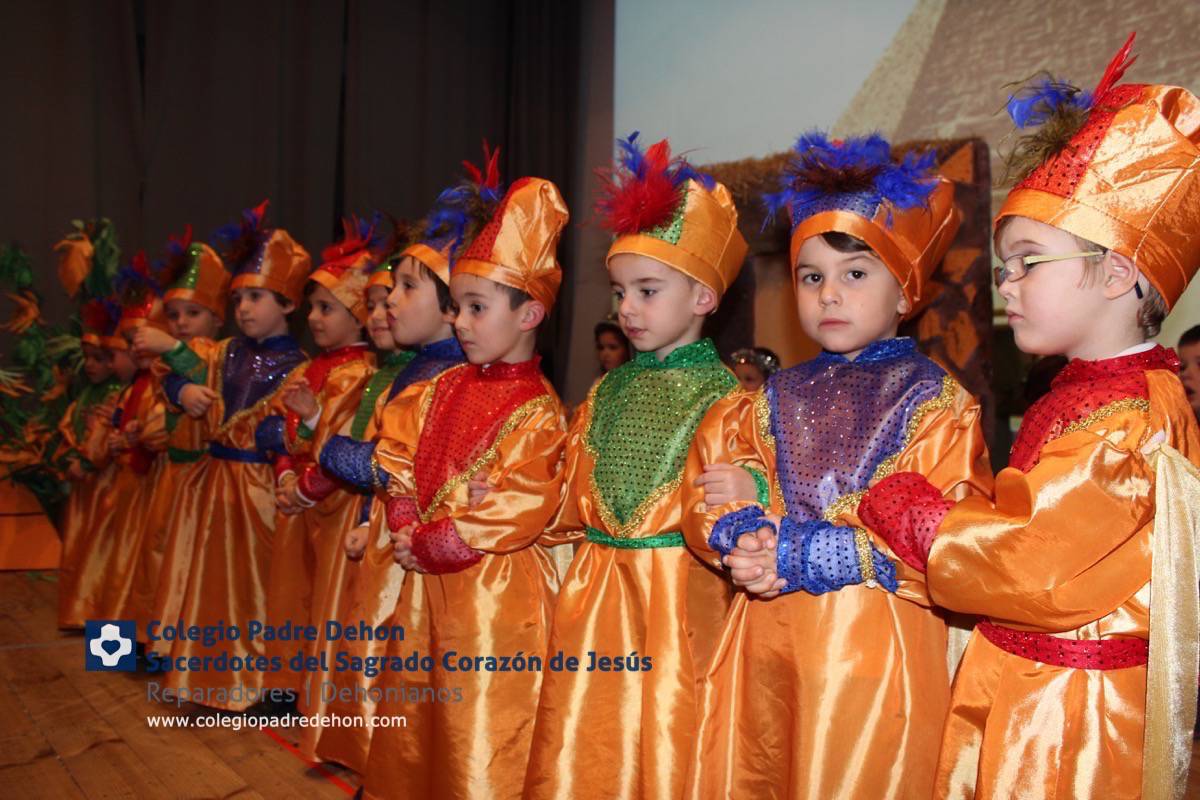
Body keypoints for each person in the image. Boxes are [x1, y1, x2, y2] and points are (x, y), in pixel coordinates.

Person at [858, 34, 1200, 799]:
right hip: (1032, 691)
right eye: (1005, 265)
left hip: (1066, 724)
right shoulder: (1096, 393)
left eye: (1027, 262)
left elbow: (1034, 562)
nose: (1004, 285)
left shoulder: (1124, 417)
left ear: (1115, 270)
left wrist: (917, 514)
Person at [682, 131, 992, 799]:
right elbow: (710, 487)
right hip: (770, 643)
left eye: (855, 275)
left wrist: (806, 550)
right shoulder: (767, 399)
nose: (829, 295)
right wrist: (743, 527)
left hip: (875, 655)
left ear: (906, 290)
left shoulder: (938, 405)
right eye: (811, 276)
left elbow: (951, 537)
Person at [524, 132, 747, 800]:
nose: (626, 309)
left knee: (667, 734)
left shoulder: (728, 399)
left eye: (647, 291)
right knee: (586, 734)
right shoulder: (606, 390)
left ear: (704, 298)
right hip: (595, 591)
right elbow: (572, 489)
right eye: (621, 291)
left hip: (677, 601)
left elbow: (727, 505)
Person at [361, 175, 570, 800]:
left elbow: (521, 503)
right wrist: (403, 512)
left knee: (478, 716)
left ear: (529, 313)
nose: (460, 321)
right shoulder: (441, 387)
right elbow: (397, 450)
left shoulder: (539, 409)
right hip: (427, 588)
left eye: (476, 307)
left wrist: (437, 539)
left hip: (491, 599)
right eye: (457, 306)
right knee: (422, 716)